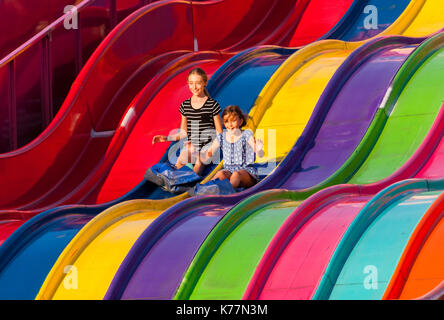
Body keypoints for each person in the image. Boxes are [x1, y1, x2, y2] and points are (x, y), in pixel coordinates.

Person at [152, 67, 223, 176]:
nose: (194, 87)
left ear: (205, 83)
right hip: (193, 146)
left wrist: (210, 152)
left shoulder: (212, 105)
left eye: (198, 83)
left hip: (208, 146)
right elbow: (183, 132)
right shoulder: (185, 106)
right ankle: (178, 180)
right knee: (181, 158)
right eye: (191, 83)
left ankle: (191, 181)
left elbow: (219, 133)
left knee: (199, 160)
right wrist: (166, 138)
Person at [204, 105, 264, 189]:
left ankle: (229, 192)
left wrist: (259, 149)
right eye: (227, 121)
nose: (230, 124)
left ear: (240, 121)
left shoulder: (246, 134)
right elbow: (208, 155)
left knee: (236, 175)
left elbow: (260, 154)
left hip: (246, 172)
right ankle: (205, 190)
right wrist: (196, 155)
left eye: (233, 121)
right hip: (229, 171)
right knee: (220, 174)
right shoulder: (221, 137)